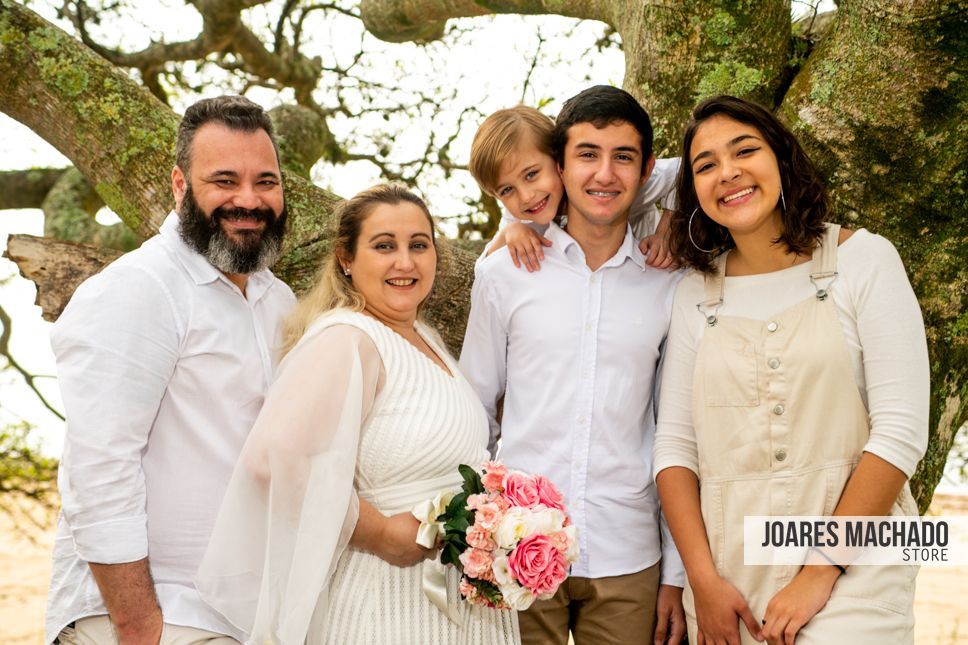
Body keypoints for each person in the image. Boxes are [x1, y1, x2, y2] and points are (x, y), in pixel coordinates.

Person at [654, 95, 928, 644]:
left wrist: (821, 571)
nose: (727, 172)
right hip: (729, 577)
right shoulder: (693, 295)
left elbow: (900, 433)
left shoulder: (864, 262)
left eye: (744, 150)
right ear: (695, 193)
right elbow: (675, 451)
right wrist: (702, 583)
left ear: (780, 157)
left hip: (858, 565)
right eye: (705, 165)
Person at [196, 184, 519, 644]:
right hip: (386, 604)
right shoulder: (346, 339)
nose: (404, 262)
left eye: (418, 245)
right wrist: (381, 532)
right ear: (346, 259)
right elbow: (272, 462)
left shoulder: (427, 341)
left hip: (455, 611)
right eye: (384, 246)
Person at [45, 95, 296, 644]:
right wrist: (139, 629)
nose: (248, 200)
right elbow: (100, 470)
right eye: (224, 181)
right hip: (151, 617)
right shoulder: (141, 288)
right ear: (180, 185)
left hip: (240, 618)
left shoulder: (280, 302)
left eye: (266, 181)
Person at [460, 85, 686, 645]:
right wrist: (473, 537)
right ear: (563, 162)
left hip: (628, 551)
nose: (604, 174)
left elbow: (678, 432)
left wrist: (676, 574)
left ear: (644, 167)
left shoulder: (671, 283)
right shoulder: (502, 273)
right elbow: (473, 408)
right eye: (586, 155)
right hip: (515, 549)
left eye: (623, 158)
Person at [469, 104, 679, 272]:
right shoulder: (520, 217)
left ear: (558, 159)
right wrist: (509, 233)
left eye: (531, 174)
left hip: (648, 270)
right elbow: (483, 269)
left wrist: (667, 227)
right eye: (506, 190)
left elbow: (681, 170)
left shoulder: (621, 186)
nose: (525, 196)